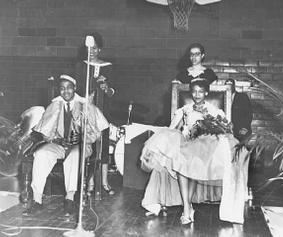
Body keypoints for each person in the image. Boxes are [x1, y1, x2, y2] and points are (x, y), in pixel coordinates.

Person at [140, 80, 248, 225]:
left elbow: (224, 130)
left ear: (206, 93)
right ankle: (187, 207)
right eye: (194, 91)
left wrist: (210, 122)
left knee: (192, 160)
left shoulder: (214, 110)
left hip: (205, 146)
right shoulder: (185, 109)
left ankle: (188, 207)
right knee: (182, 158)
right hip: (186, 143)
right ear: (191, 92)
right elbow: (172, 129)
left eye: (201, 92)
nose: (197, 95)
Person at [23, 75, 109, 216]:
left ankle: (69, 199)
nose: (66, 91)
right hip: (59, 145)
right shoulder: (54, 105)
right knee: (41, 154)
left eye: (69, 87)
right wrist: (57, 140)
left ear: (74, 88)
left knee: (74, 156)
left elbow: (96, 132)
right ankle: (37, 200)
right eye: (62, 88)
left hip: (81, 146)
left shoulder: (85, 106)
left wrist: (82, 137)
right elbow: (46, 133)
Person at [75, 32, 115, 195]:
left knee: (103, 145)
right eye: (89, 48)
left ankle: (104, 182)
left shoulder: (109, 66)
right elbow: (77, 88)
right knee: (88, 144)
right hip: (86, 110)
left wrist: (106, 88)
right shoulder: (80, 65)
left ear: (100, 49)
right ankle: (89, 183)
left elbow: (113, 92)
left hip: (103, 111)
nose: (91, 51)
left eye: (95, 48)